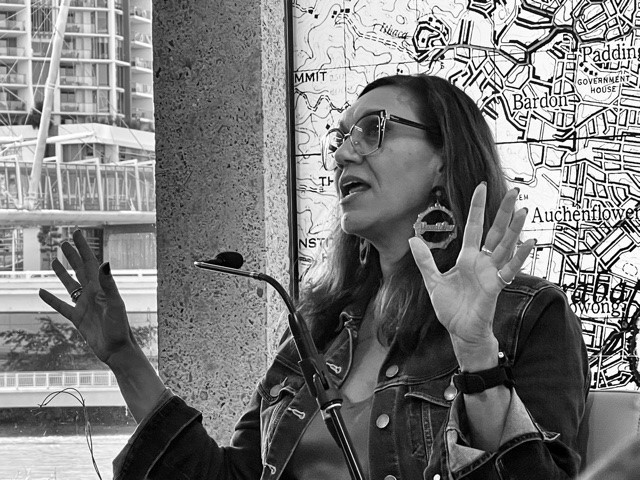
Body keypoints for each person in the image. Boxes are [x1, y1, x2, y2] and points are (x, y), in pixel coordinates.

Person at [39, 74, 589, 479]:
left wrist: (476, 357)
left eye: (372, 130)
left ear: (443, 159)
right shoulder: (319, 321)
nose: (342, 154)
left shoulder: (525, 316)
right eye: (339, 137)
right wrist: (124, 357)